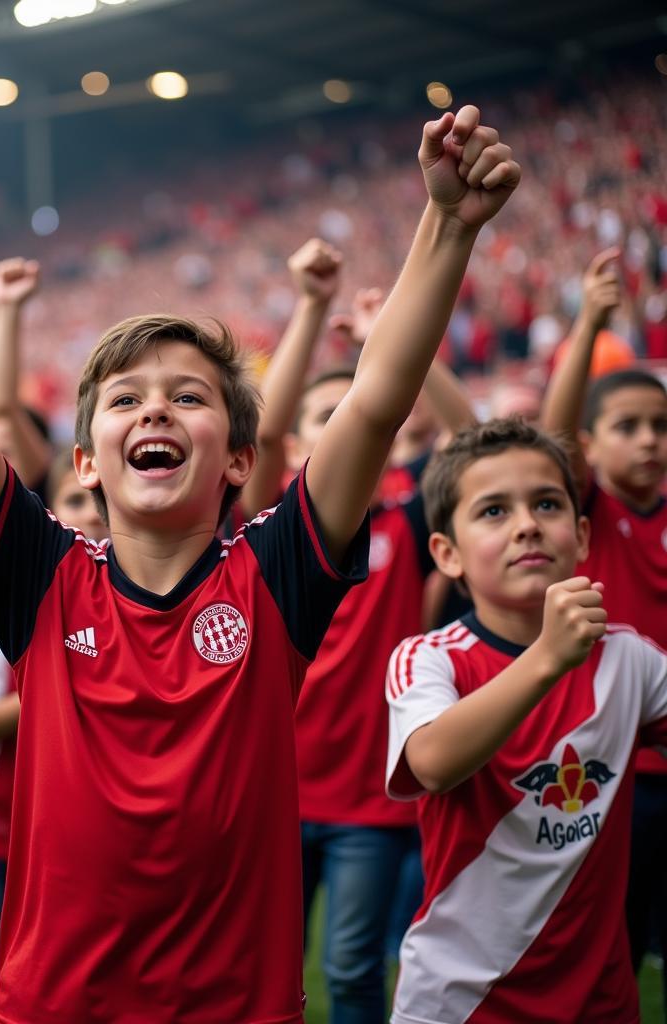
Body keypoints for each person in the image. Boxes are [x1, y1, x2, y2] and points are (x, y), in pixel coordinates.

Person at [0, 100, 519, 1020]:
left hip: (233, 1005)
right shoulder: (41, 575)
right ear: (84, 462)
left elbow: (376, 399)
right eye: (125, 400)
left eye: (188, 396)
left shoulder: (277, 576)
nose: (154, 411)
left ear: (240, 457)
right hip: (51, 1005)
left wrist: (446, 224)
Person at [243, 241, 475, 1024]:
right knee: (255, 972)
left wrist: (387, 344)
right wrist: (311, 309)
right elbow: (267, 437)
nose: (341, 430)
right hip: (270, 788)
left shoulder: (410, 525)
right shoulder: (273, 526)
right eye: (323, 418)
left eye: (355, 419)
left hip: (369, 799)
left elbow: (473, 444)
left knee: (348, 969)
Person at [386, 418, 667, 1023]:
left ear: (583, 534)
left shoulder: (631, 658)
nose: (527, 525)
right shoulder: (429, 658)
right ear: (447, 554)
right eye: (493, 511)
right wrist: (547, 658)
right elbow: (432, 763)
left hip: (601, 1002)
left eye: (547, 503)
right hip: (459, 1002)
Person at [541, 247, 667, 1011]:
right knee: (606, 943)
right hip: (612, 766)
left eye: (660, 425)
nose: (650, 440)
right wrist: (589, 321)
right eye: (628, 426)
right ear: (590, 446)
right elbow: (553, 435)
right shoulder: (593, 510)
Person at [0, 448, 107, 1024]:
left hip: (71, 849)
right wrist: (62, 688)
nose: (89, 516)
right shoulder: (30, 606)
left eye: (99, 509)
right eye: (73, 503)